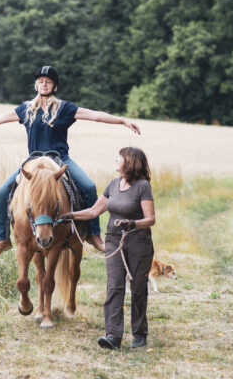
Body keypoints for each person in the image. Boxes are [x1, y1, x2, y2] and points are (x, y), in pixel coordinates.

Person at [0, 66, 141, 258]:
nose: (44, 84)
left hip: (60, 158)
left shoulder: (64, 108)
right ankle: (2, 239)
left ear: (54, 86)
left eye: (48, 82)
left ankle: (93, 235)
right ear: (36, 84)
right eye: (41, 81)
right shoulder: (26, 109)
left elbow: (94, 115)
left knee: (88, 186)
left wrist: (122, 120)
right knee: (3, 192)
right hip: (34, 161)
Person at [60, 147, 155, 350]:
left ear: (129, 162)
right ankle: (112, 336)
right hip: (113, 241)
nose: (115, 161)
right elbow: (95, 210)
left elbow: (151, 219)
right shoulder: (113, 185)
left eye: (118, 158)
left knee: (138, 289)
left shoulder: (142, 186)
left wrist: (133, 223)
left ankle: (139, 334)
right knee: (114, 288)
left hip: (138, 241)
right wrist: (71, 215)